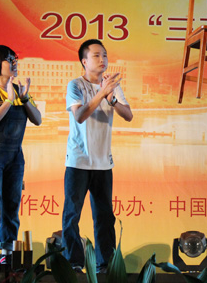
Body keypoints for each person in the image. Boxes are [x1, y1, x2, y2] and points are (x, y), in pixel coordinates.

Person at [62, 39, 133, 273]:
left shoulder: (112, 86)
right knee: (72, 215)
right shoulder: (75, 85)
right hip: (78, 161)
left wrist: (112, 98)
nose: (102, 59)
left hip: (103, 163)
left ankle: (105, 265)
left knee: (104, 216)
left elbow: (128, 115)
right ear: (84, 61)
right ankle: (74, 263)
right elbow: (80, 115)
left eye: (104, 55)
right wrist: (102, 92)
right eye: (96, 55)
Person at [0, 45, 42, 262]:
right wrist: (8, 100)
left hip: (14, 155)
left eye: (15, 58)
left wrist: (24, 99)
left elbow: (38, 119)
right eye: (9, 59)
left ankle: (7, 256)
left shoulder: (19, 90)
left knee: (11, 208)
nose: (14, 62)